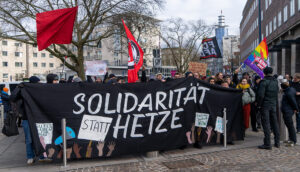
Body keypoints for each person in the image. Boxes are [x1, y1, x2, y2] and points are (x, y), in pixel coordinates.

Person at [257, 67, 280, 150]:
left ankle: (267, 144)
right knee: (274, 123)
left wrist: (258, 105)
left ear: (264, 73)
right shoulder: (275, 81)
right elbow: (277, 91)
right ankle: (277, 142)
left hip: (265, 105)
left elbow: (260, 95)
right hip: (273, 104)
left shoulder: (263, 82)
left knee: (266, 124)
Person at [281, 79, 299, 146]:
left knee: (290, 126)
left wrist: (296, 109)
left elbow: (293, 101)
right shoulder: (292, 89)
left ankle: (293, 140)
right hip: (288, 110)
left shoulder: (288, 93)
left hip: (287, 110)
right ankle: (291, 139)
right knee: (289, 125)